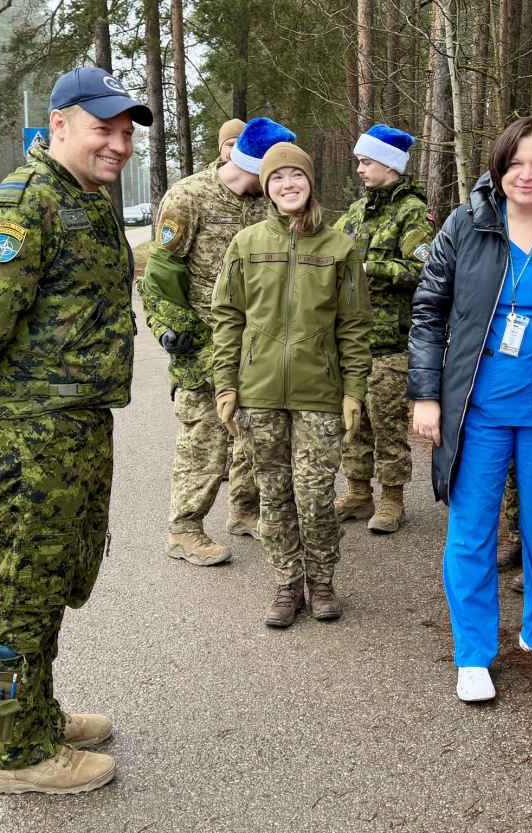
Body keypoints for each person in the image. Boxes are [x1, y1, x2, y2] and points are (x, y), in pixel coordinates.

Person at [0, 67, 152, 794]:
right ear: (59, 123)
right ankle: (16, 753)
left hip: (75, 427)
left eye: (126, 131)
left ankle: (36, 713)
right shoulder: (24, 206)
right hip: (31, 434)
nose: (118, 144)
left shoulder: (82, 200)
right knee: (21, 585)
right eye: (104, 128)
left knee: (57, 576)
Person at [408, 115, 532, 703]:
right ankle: (473, 651)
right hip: (478, 408)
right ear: (499, 167)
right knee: (472, 532)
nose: (527, 174)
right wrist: (424, 395)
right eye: (516, 162)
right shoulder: (466, 225)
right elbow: (427, 312)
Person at [211, 142, 372, 627]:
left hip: (319, 393)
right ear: (266, 187)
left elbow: (355, 325)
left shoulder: (340, 247)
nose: (288, 185)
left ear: (308, 182)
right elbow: (227, 317)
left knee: (316, 493)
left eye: (295, 176)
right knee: (274, 492)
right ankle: (287, 582)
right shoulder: (247, 243)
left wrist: (353, 392)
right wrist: (225, 385)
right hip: (258, 391)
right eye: (277, 178)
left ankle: (322, 579)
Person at [139, 117, 296, 567]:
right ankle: (183, 530)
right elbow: (160, 273)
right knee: (206, 436)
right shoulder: (189, 197)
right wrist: (174, 331)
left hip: (258, 343)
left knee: (255, 434)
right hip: (204, 341)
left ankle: (246, 512)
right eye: (273, 172)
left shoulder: (267, 203)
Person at [333, 124, 435, 534]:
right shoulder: (355, 213)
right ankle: (358, 493)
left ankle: (393, 499)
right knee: (353, 422)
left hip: (392, 343)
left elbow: (425, 269)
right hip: (351, 340)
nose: (359, 169)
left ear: (389, 165)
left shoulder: (412, 213)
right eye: (359, 161)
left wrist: (369, 266)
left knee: (388, 423)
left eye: (366, 161)